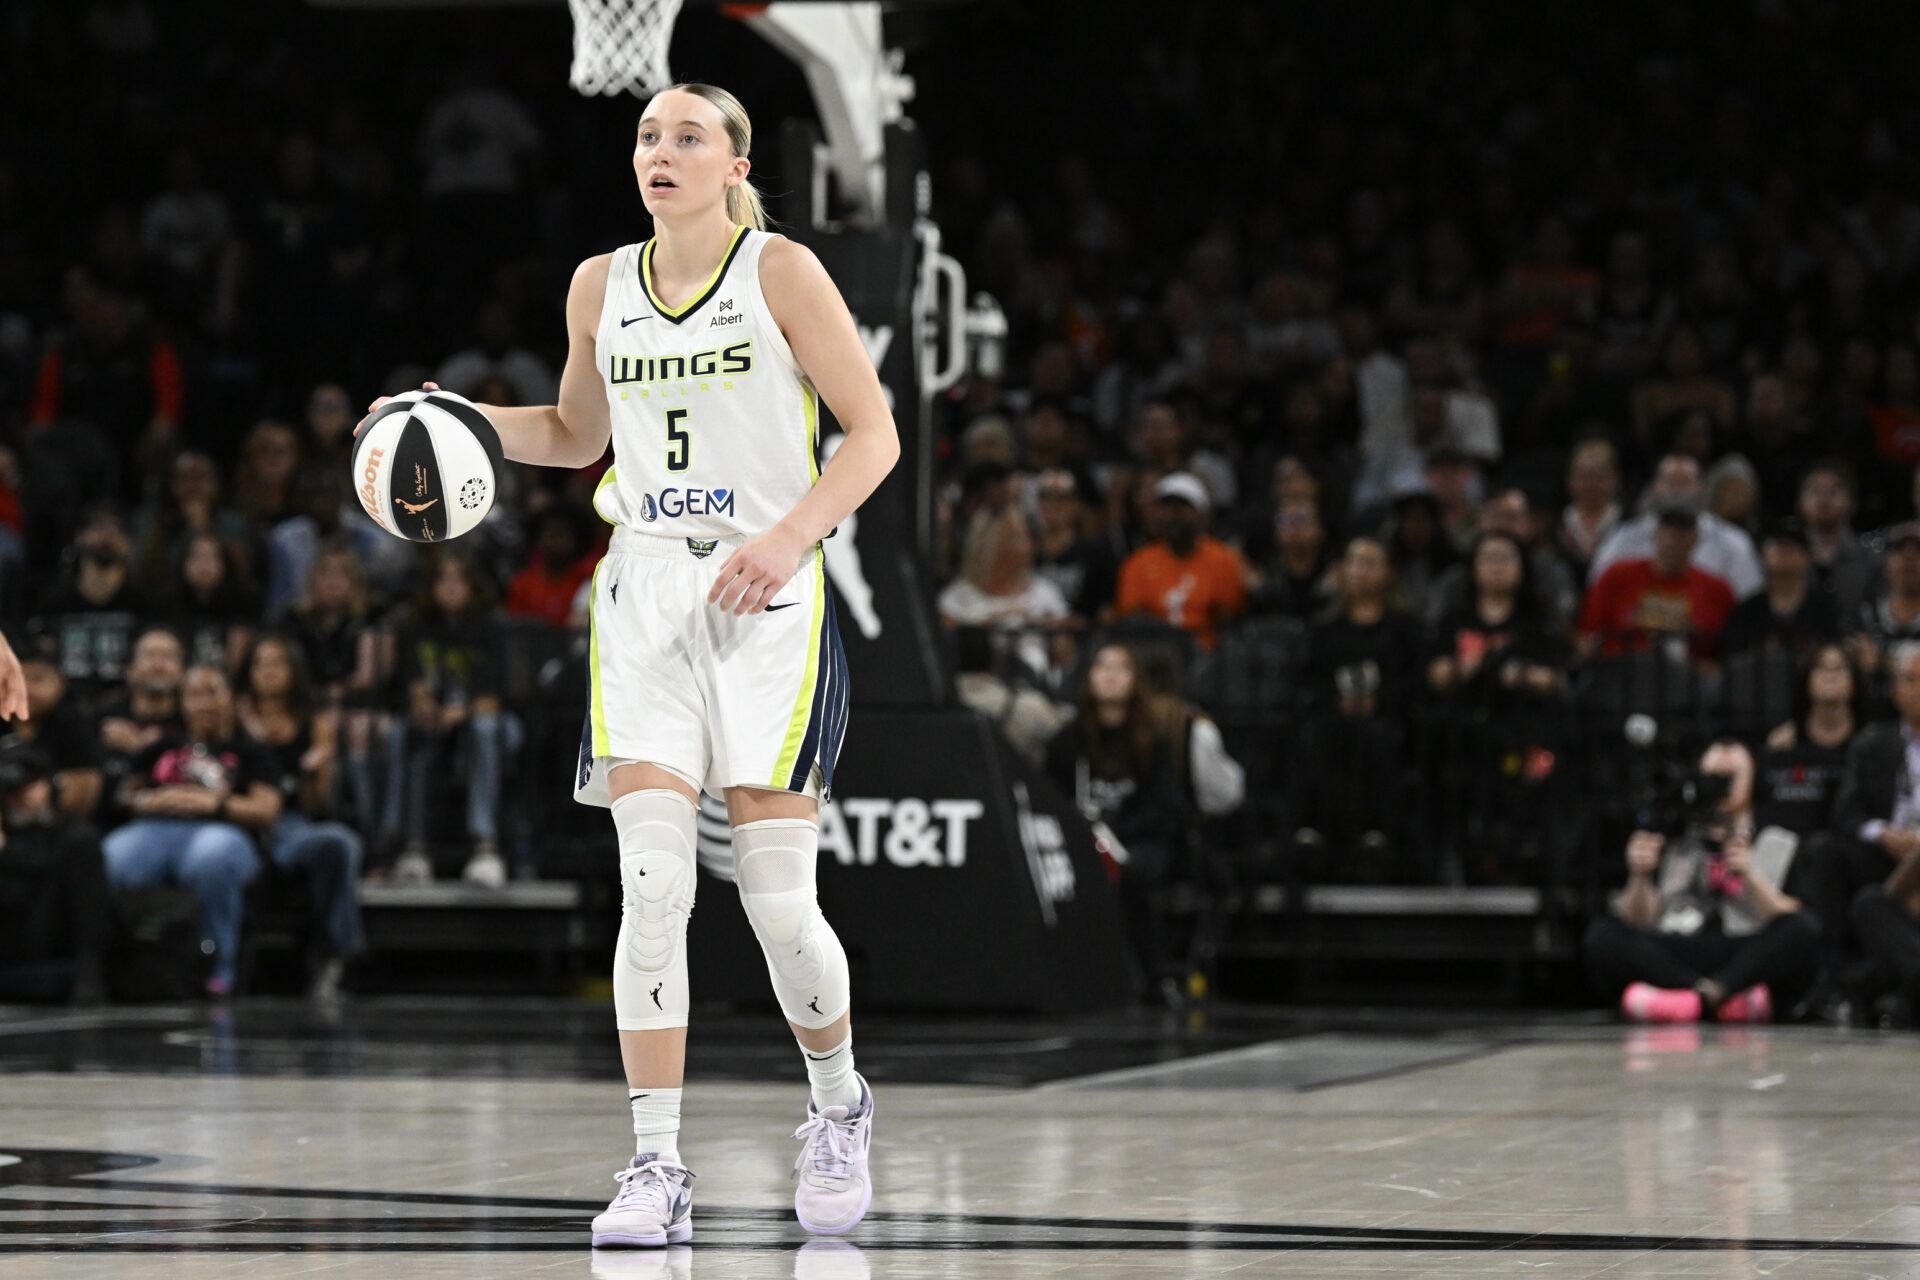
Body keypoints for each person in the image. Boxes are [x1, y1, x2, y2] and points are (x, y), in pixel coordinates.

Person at [357, 83, 895, 1245]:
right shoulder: (600, 284)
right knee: (651, 887)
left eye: (688, 136)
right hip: (644, 590)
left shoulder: (782, 272)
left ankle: (840, 1100)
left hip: (768, 594)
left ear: (734, 165)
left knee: (778, 901)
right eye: (649, 134)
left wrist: (791, 532)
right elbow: (578, 433)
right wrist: (456, 416)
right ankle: (655, 1161)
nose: (661, 150)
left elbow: (876, 431)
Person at [1583, 740, 1820, 1023]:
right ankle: (1709, 993)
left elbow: (1792, 917)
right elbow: (1640, 920)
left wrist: (1749, 875)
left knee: (1803, 930)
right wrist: (1639, 874)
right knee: (1602, 934)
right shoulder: (1671, 835)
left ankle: (1697, 994)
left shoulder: (1778, 840)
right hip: (1681, 946)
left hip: (1745, 948)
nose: (1718, 787)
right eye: (1712, 778)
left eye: (1728, 778)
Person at [103, 664, 281, 998]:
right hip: (156, 826)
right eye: (194, 695)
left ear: (231, 698)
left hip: (221, 829)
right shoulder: (163, 746)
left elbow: (267, 809)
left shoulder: (249, 749)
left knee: (211, 858)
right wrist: (151, 799)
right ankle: (126, 962)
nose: (204, 703)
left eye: (213, 692)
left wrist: (215, 804)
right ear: (182, 703)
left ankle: (216, 963)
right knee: (114, 857)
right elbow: (124, 794)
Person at [1045, 643, 1197, 1004]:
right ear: (1089, 678)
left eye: (1121, 668)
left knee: (1137, 874)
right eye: (1102, 667)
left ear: (1135, 682)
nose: (1110, 676)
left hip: (1137, 838)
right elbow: (1052, 798)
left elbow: (1163, 805)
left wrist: (1118, 835)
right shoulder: (1068, 740)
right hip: (1082, 836)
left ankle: (1153, 974)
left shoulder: (1153, 739)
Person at [236, 634, 364, 1003]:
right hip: (241, 817)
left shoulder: (314, 722)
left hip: (289, 822)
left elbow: (316, 804)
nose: (269, 671)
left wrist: (314, 773)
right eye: (261, 663)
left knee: (338, 844)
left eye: (278, 663)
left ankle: (336, 954)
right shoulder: (235, 714)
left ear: (294, 670)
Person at [379, 550, 517, 888]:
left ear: (473, 586)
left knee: (485, 731)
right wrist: (421, 705)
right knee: (403, 733)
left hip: (491, 722)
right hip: (438, 724)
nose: (450, 588)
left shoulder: (490, 628)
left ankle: (485, 846)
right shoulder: (416, 629)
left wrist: (464, 712)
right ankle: (409, 845)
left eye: (459, 580)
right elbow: (407, 688)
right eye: (443, 579)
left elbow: (499, 697)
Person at [1796, 644, 1920, 994]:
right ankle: (1836, 972)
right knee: (1826, 851)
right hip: (1886, 856)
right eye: (1911, 680)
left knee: (1871, 903)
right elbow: (1846, 811)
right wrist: (1883, 834)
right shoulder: (1873, 742)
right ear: (1896, 690)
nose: (1919, 690)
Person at [0, 739, 111, 1005]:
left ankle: (89, 977)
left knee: (81, 848)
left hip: (51, 965)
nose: (23, 796)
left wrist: (6, 853)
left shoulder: (73, 837)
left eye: (32, 785)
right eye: (14, 789)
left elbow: (91, 917)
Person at [1578, 497, 1736, 661]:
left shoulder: (1717, 590)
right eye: (1668, 528)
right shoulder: (1617, 576)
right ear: (1655, 533)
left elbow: (1727, 656)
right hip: (1621, 675)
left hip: (1688, 680)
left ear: (1695, 538)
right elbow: (1586, 638)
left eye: (1683, 530)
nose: (1673, 539)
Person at [1588, 453, 1762, 599]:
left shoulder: (1734, 542)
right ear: (1655, 487)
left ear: (1701, 489)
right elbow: (1597, 589)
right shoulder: (1623, 537)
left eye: (1685, 482)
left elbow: (1748, 600)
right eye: (1669, 482)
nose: (1676, 491)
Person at [938, 505, 1071, 686]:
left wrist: (1051, 630)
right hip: (975, 690)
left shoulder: (1045, 593)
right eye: (1017, 538)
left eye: (1028, 538)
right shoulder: (956, 598)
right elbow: (946, 650)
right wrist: (996, 620)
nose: (1029, 546)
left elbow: (1065, 655)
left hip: (1034, 694)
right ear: (992, 544)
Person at [1113, 471, 1247, 648]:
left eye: (1182, 507)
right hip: (1153, 653)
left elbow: (1228, 622)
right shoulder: (1138, 563)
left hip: (1206, 655)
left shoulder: (1222, 560)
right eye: (1166, 507)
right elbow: (1132, 620)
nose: (1173, 515)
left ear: (1201, 514)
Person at [1719, 519, 1840, 658]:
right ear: (1762, 555)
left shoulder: (1826, 609)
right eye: (1777, 545)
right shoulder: (1746, 612)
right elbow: (1731, 658)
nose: (1785, 551)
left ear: (1808, 557)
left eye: (1793, 546)